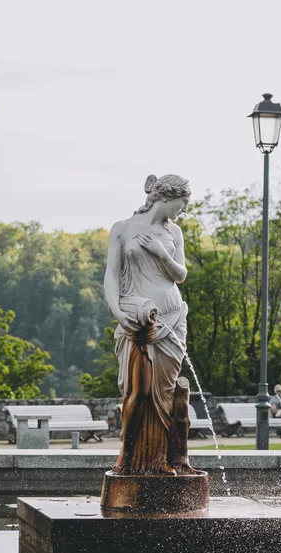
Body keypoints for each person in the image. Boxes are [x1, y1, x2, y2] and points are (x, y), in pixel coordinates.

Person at [104, 174, 200, 476]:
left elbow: (180, 274)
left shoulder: (175, 232)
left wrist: (161, 253)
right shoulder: (122, 229)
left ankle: (163, 462)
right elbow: (110, 275)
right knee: (137, 392)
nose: (181, 211)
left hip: (172, 319)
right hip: (137, 320)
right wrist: (118, 312)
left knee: (166, 392)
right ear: (167, 197)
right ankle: (130, 460)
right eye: (181, 205)